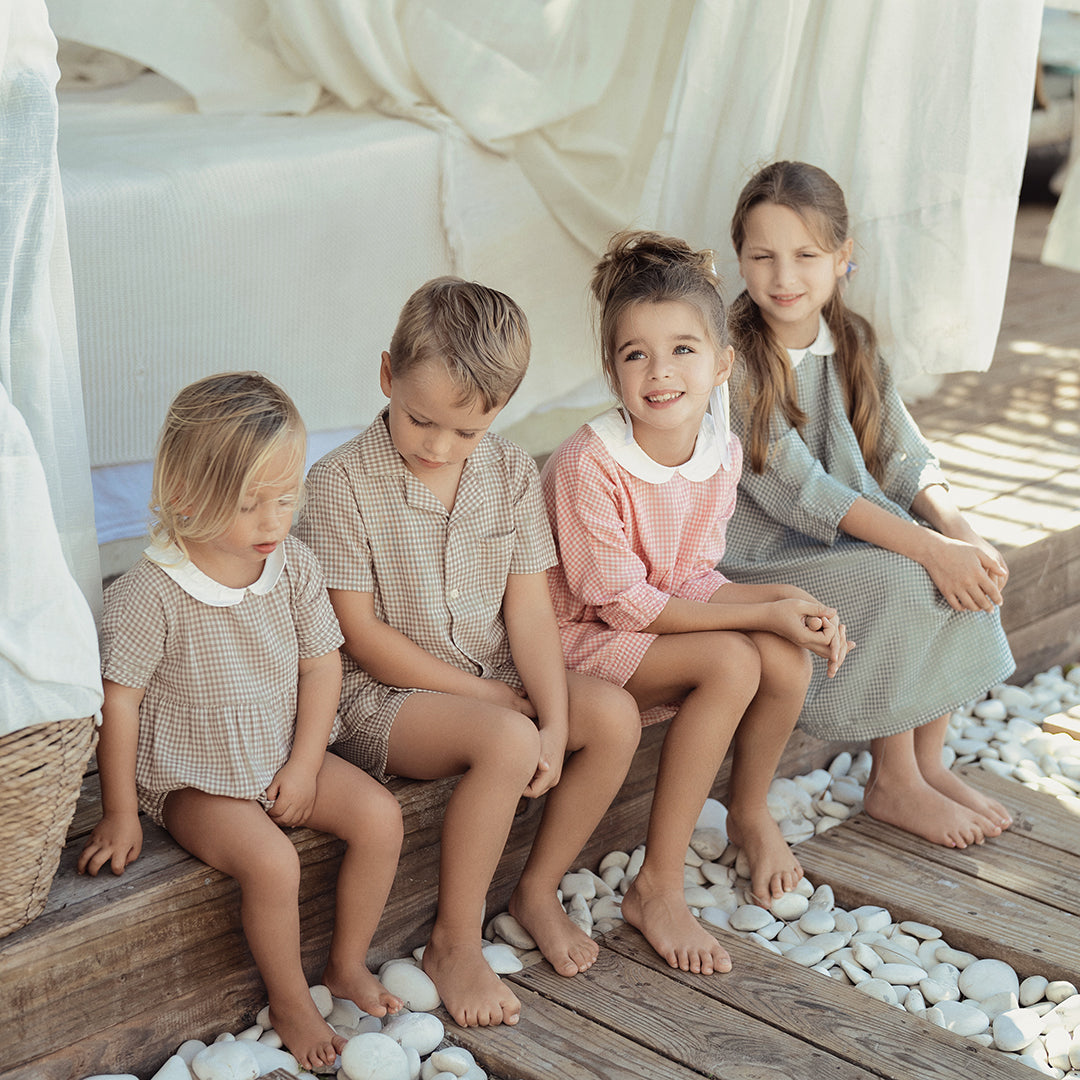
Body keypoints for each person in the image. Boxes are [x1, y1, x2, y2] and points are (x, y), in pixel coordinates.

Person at [296, 277, 641, 1029]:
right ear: (387, 375)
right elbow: (360, 636)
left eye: (466, 432)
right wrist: (495, 705)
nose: (439, 446)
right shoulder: (339, 485)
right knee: (509, 736)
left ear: (499, 415)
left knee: (611, 717)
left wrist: (552, 716)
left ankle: (535, 889)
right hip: (381, 697)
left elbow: (527, 609)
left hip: (496, 675)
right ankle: (453, 942)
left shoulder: (511, 474)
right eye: (422, 420)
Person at [541, 231, 852, 977]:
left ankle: (748, 811)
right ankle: (658, 884)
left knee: (780, 652)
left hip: (648, 626)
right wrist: (761, 609)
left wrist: (782, 599)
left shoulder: (719, 449)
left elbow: (693, 578)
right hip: (571, 639)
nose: (660, 372)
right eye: (635, 354)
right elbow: (626, 608)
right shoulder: (591, 464)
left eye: (683, 349)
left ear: (721, 364)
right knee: (730, 659)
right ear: (612, 372)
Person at [78, 373, 404, 1071]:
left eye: (286, 499)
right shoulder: (149, 593)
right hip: (197, 779)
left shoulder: (294, 568)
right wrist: (118, 813)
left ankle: (346, 963)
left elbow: (322, 668)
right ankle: (289, 999)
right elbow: (121, 703)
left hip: (280, 752)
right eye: (251, 504)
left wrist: (308, 763)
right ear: (188, 498)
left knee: (380, 817)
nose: (272, 521)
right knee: (271, 862)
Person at [725, 160, 1015, 850]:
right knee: (903, 575)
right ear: (740, 256)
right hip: (764, 549)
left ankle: (925, 762)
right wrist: (927, 549)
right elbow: (802, 491)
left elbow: (899, 451)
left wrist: (956, 528)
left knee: (956, 563)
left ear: (842, 259)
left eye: (806, 255)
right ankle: (893, 780)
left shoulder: (850, 342)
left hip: (837, 531)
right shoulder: (734, 358)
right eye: (762, 256)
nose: (783, 277)